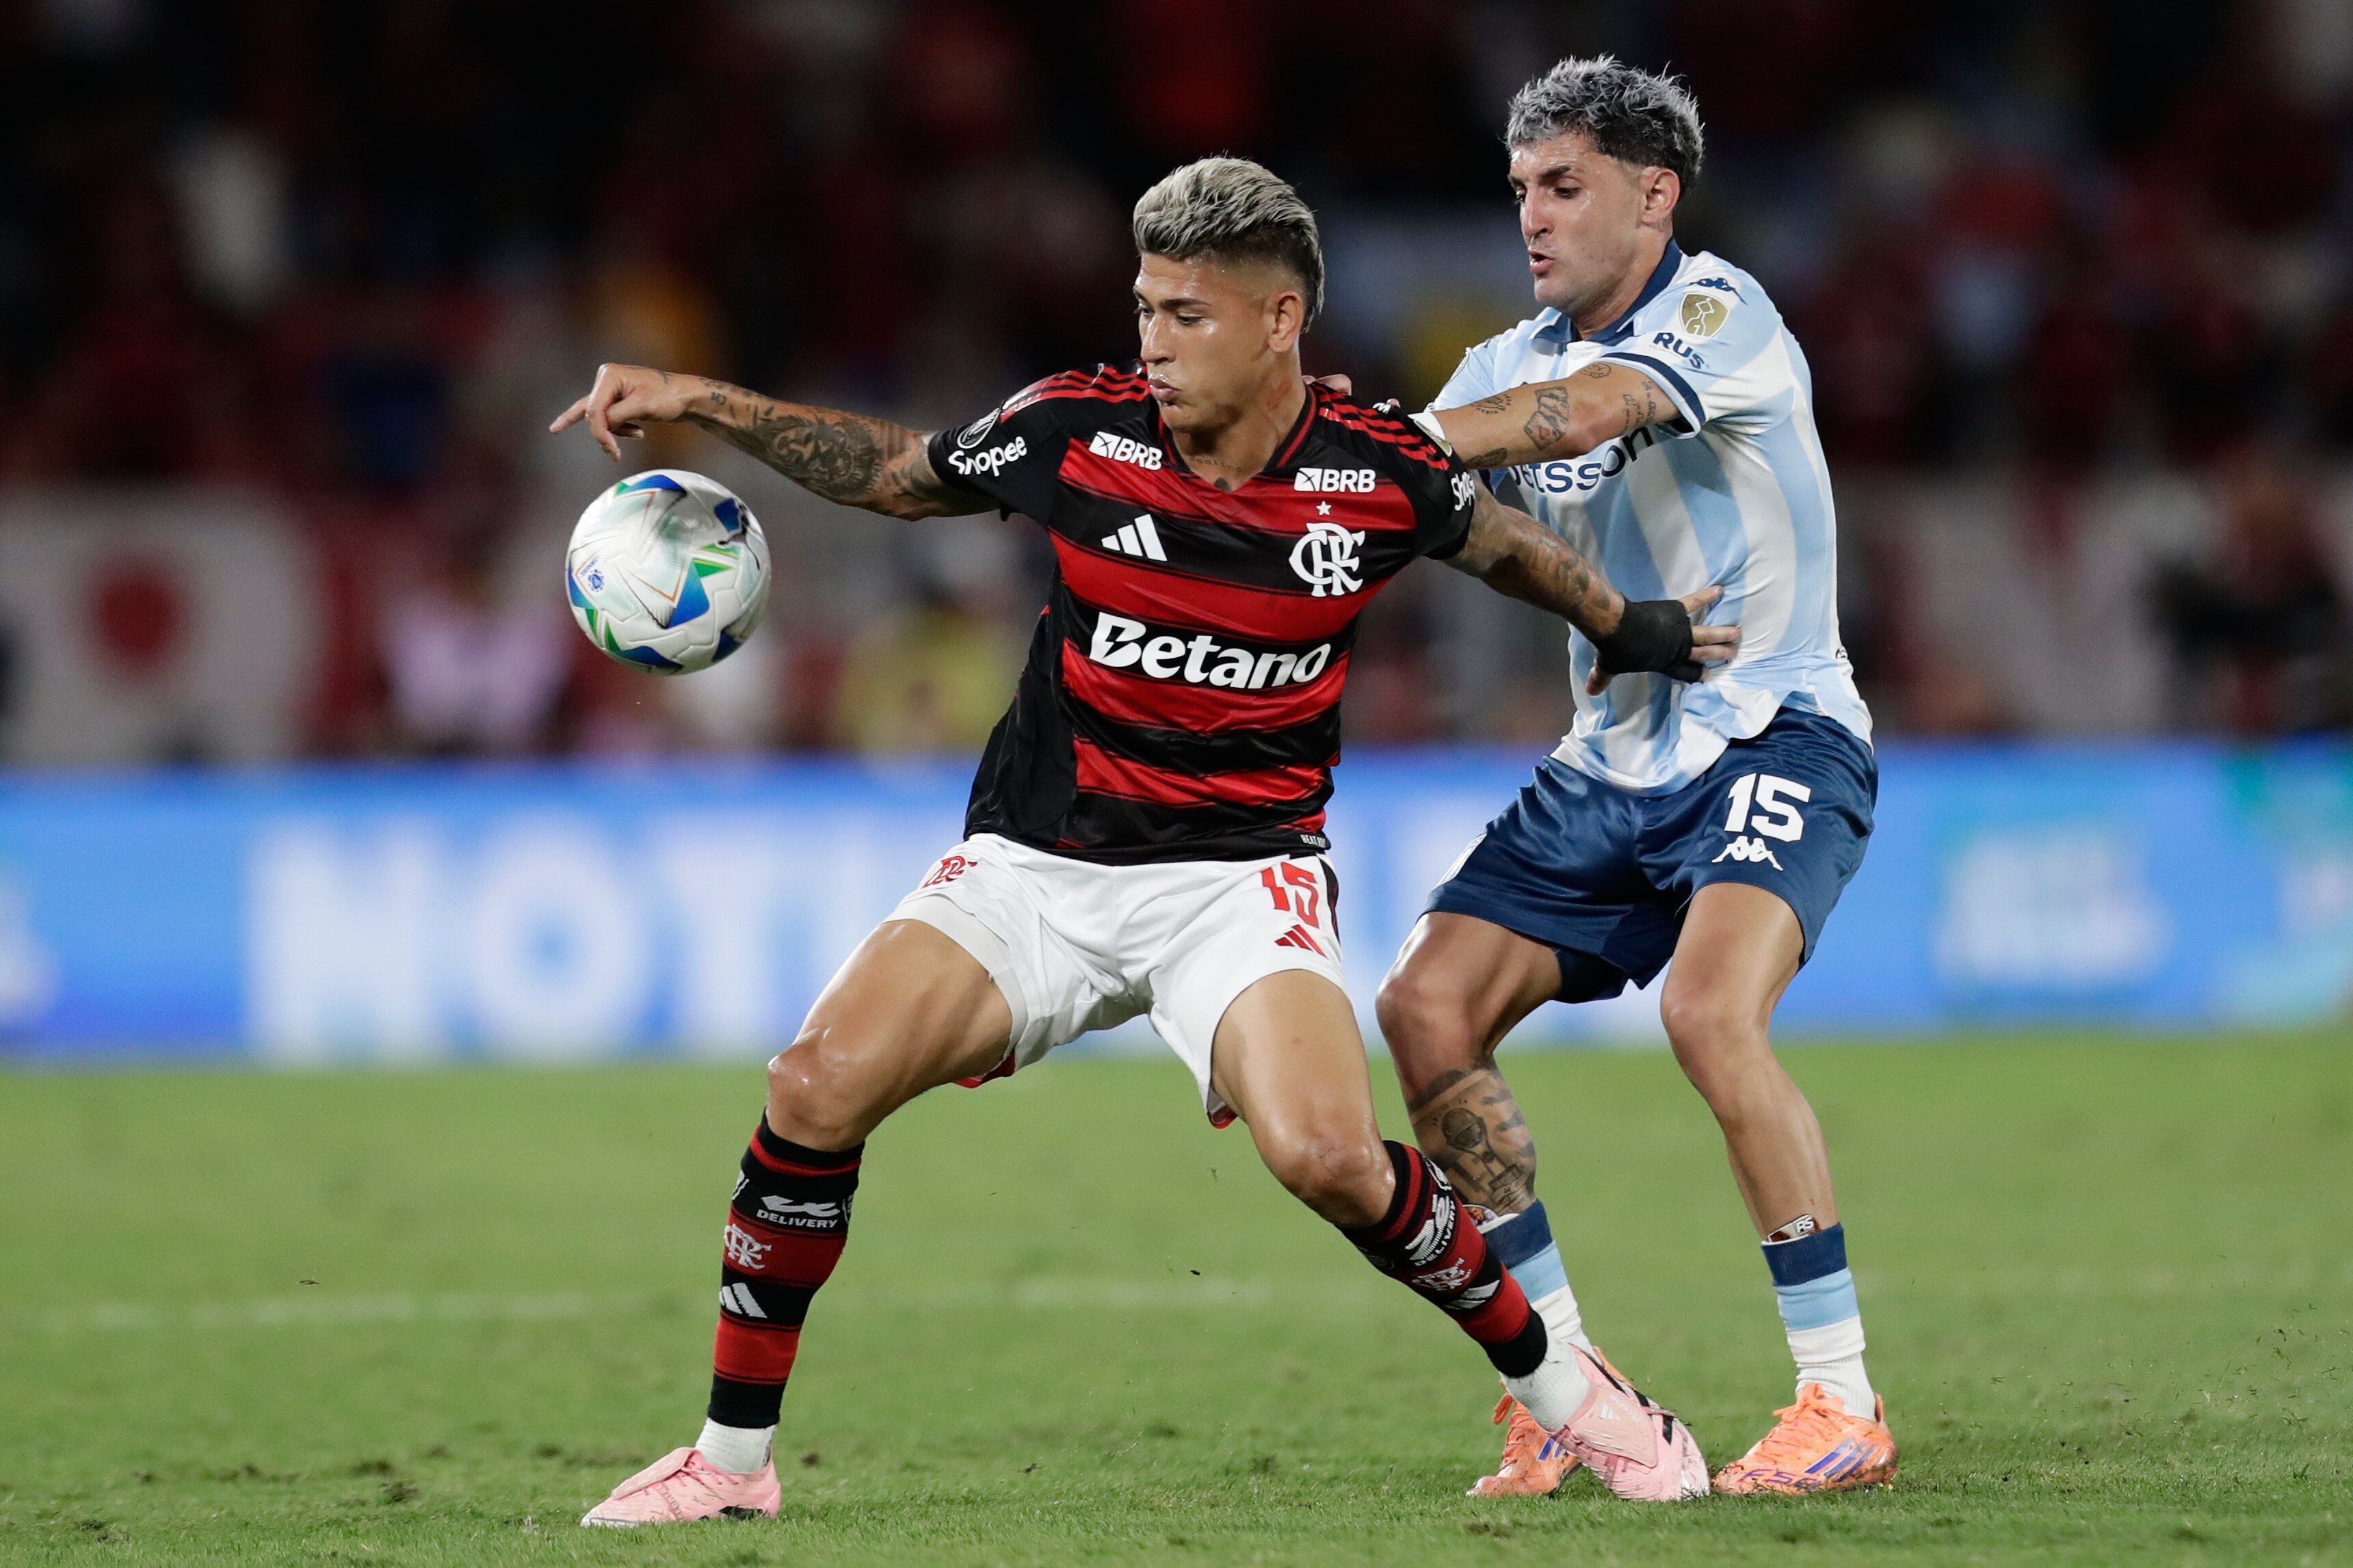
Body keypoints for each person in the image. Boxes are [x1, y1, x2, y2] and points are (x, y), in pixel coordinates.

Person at [549, 157, 1737, 1526]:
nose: (1152, 344)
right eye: (1144, 309)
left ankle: (1579, 1401)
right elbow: (894, 474)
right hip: (1037, 869)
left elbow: (1506, 548)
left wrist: (1628, 626)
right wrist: (701, 398)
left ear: (1281, 319)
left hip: (1239, 882)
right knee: (811, 1088)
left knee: (1330, 1157)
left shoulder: (1375, 475)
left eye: (1186, 315)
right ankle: (730, 1463)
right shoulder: (1075, 432)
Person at [1371, 58, 1898, 1496]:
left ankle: (1839, 1399)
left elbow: (1582, 415)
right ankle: (1561, 1385)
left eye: (1563, 185)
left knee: (1708, 1010)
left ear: (1652, 193)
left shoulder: (1721, 315)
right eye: (1520, 190)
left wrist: (1399, 445)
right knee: (1423, 1004)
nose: (1531, 217)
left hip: (1775, 727)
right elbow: (1382, 492)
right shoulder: (1497, 360)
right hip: (1608, 763)